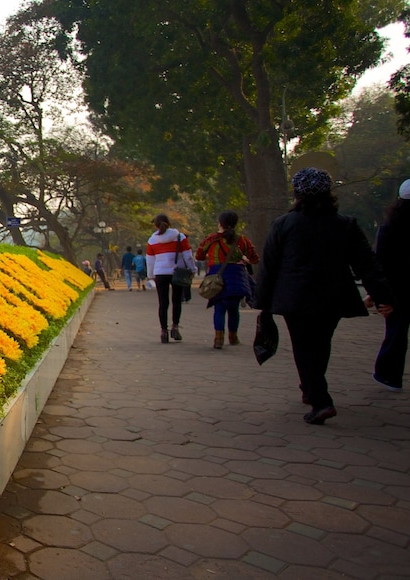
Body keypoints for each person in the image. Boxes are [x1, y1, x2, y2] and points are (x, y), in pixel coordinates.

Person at [255, 167, 394, 425]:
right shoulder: (345, 224)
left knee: (303, 347)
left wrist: (261, 301)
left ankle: (321, 401)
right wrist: (382, 295)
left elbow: (269, 265)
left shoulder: (284, 224)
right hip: (333, 296)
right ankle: (311, 389)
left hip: (295, 298)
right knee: (321, 343)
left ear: (297, 194)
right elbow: (366, 263)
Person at [195, 210, 260, 349]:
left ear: (220, 223)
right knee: (234, 309)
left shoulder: (211, 239)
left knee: (219, 308)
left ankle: (218, 338)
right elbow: (255, 258)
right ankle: (233, 337)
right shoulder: (242, 240)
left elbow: (199, 255)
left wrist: (212, 258)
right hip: (237, 277)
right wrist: (243, 259)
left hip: (217, 276)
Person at [369, 178, 410, 393]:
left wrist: (380, 295)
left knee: (396, 333)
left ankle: (389, 376)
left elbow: (380, 263)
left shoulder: (390, 228)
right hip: (398, 289)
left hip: (397, 290)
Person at [146, 213, 196, 343]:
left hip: (160, 273)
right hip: (177, 272)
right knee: (176, 301)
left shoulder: (152, 240)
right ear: (169, 223)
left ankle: (163, 331)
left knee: (163, 303)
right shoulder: (180, 237)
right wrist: (193, 269)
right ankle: (175, 327)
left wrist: (150, 275)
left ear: (156, 225)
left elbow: (150, 261)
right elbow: (188, 255)